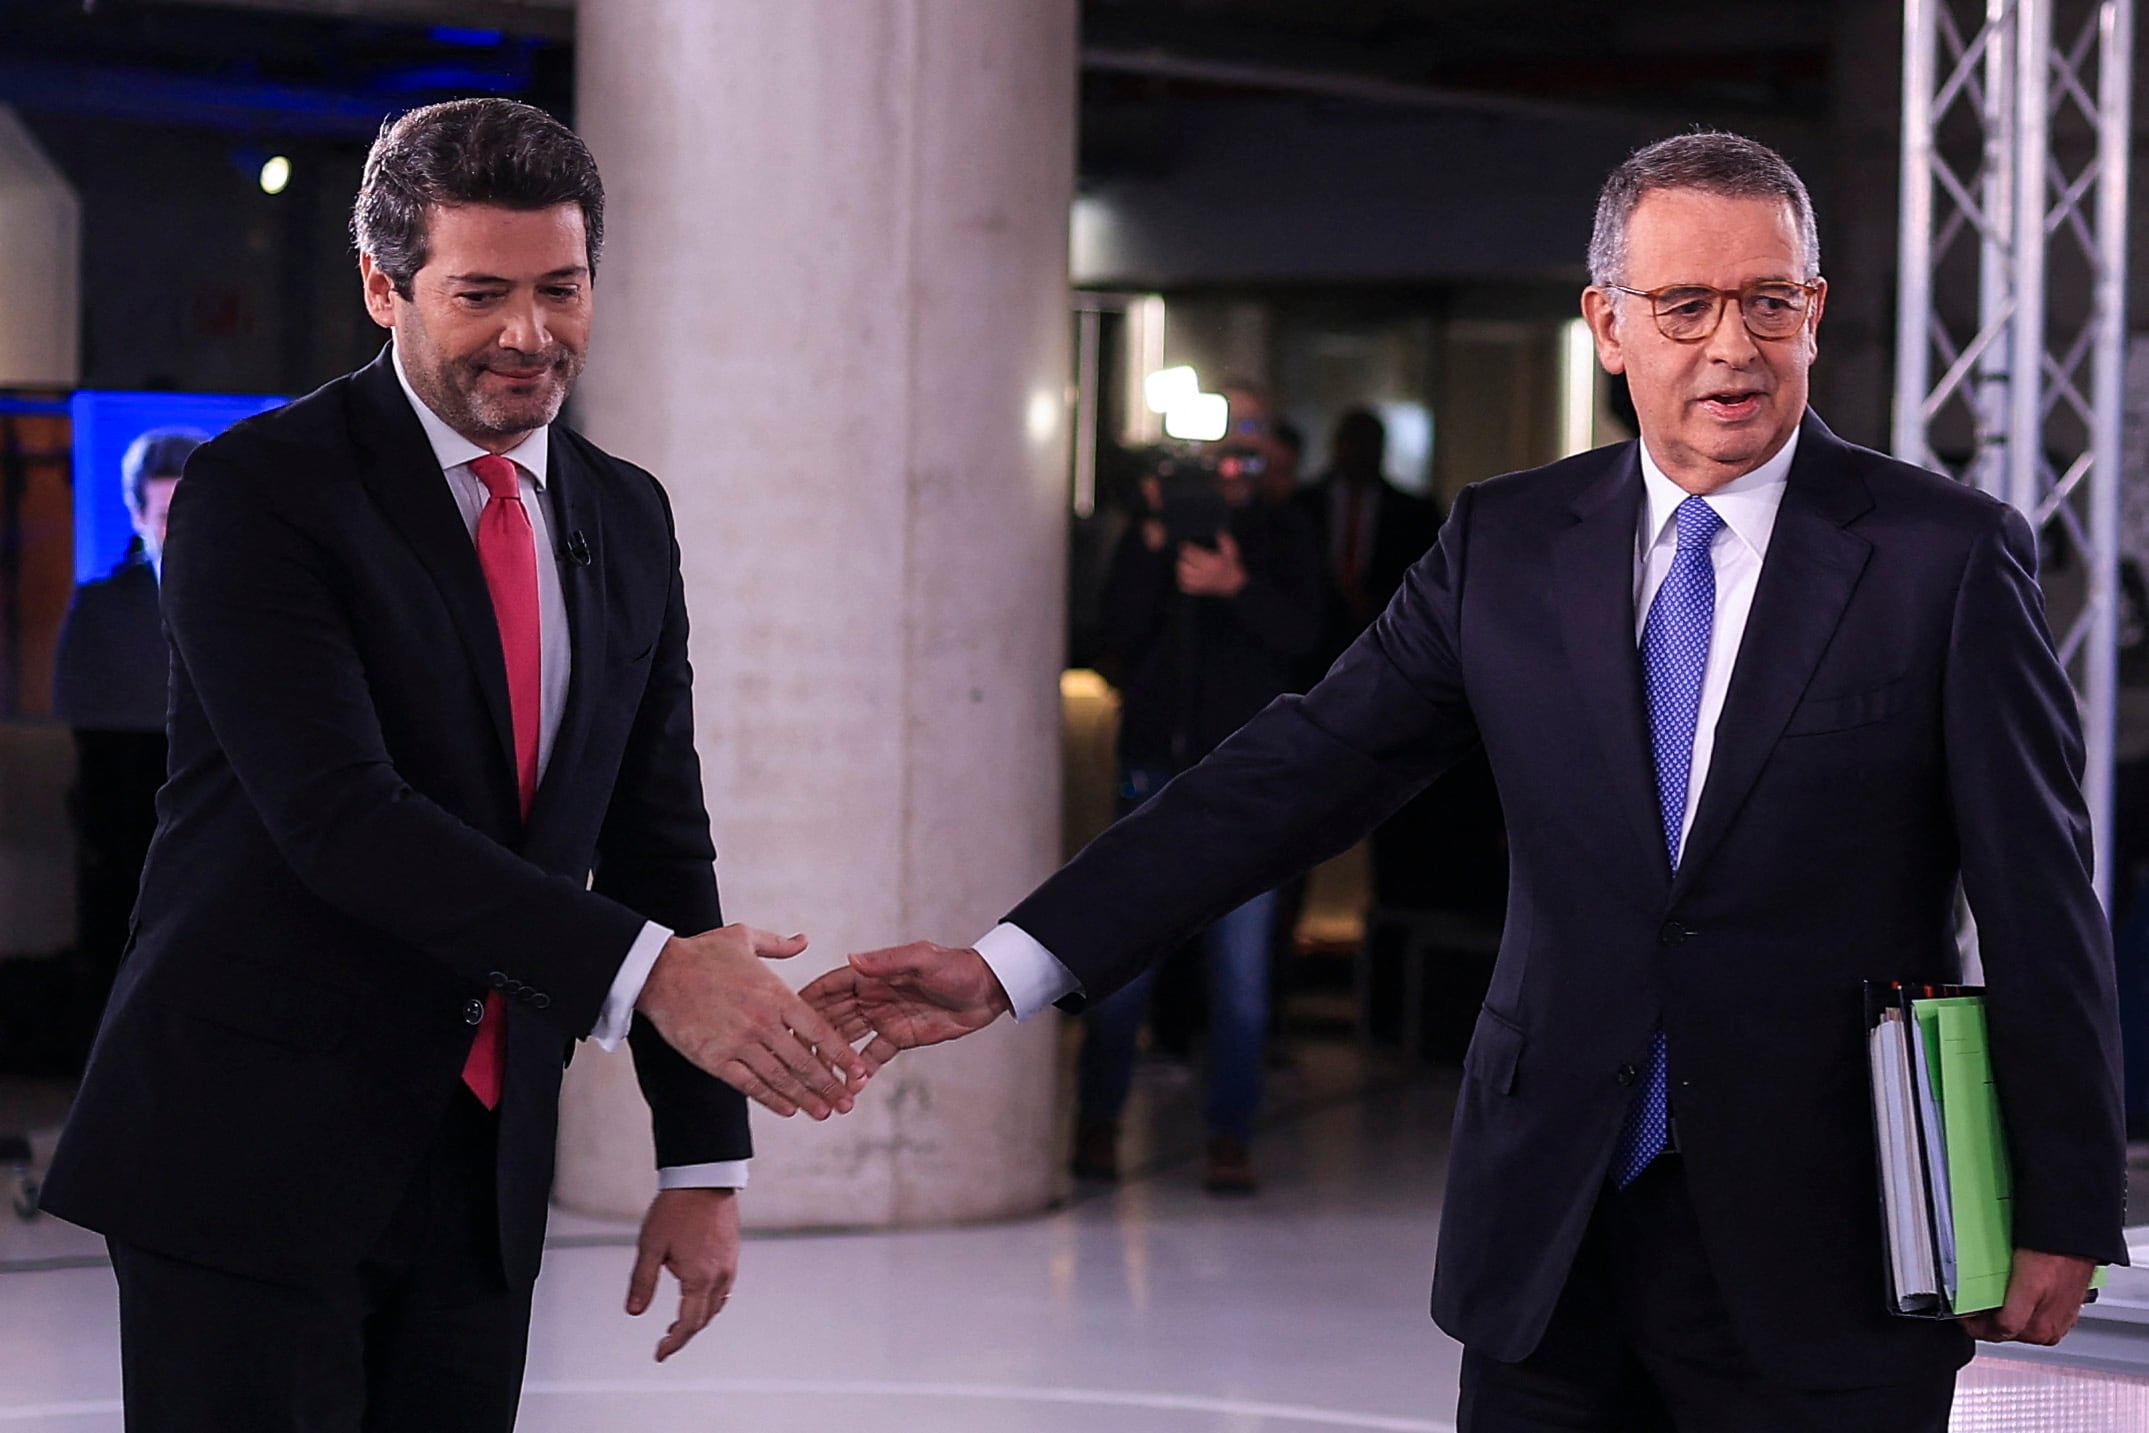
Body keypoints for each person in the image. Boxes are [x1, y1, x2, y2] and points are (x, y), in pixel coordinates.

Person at [807, 131, 2127, 1430]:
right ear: (1606, 323)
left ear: (1814, 311)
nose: (1731, 346)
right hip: (1550, 1241)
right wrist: (1010, 963)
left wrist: (2060, 1205)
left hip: (1834, 1244)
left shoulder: (1937, 557)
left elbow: (2039, 901)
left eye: (1767, 303)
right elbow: (1299, 769)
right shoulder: (1507, 544)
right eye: (1684, 306)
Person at [40, 98, 869, 1433]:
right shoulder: (262, 495)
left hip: (483, 1166)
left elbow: (660, 832)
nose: (530, 334)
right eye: (481, 293)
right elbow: (342, 820)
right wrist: (645, 969)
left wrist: (704, 1154)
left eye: (561, 288)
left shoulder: (626, 514)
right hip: (247, 1148)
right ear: (384, 285)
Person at [1075, 430, 1322, 1193]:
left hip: (1246, 783)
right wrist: (1151, 549)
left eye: (1241, 464)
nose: (1224, 479)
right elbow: (1111, 635)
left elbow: (1307, 638)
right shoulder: (1148, 541)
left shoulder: (1282, 537)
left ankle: (1229, 1135)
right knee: (1121, 968)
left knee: (1241, 980)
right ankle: (1095, 1122)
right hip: (1153, 772)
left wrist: (1233, 584)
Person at [51, 427, 204, 1061]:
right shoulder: (101, 607)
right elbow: (80, 713)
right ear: (138, 514)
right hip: (121, 822)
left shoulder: (254, 599)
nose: (175, 529)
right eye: (164, 513)